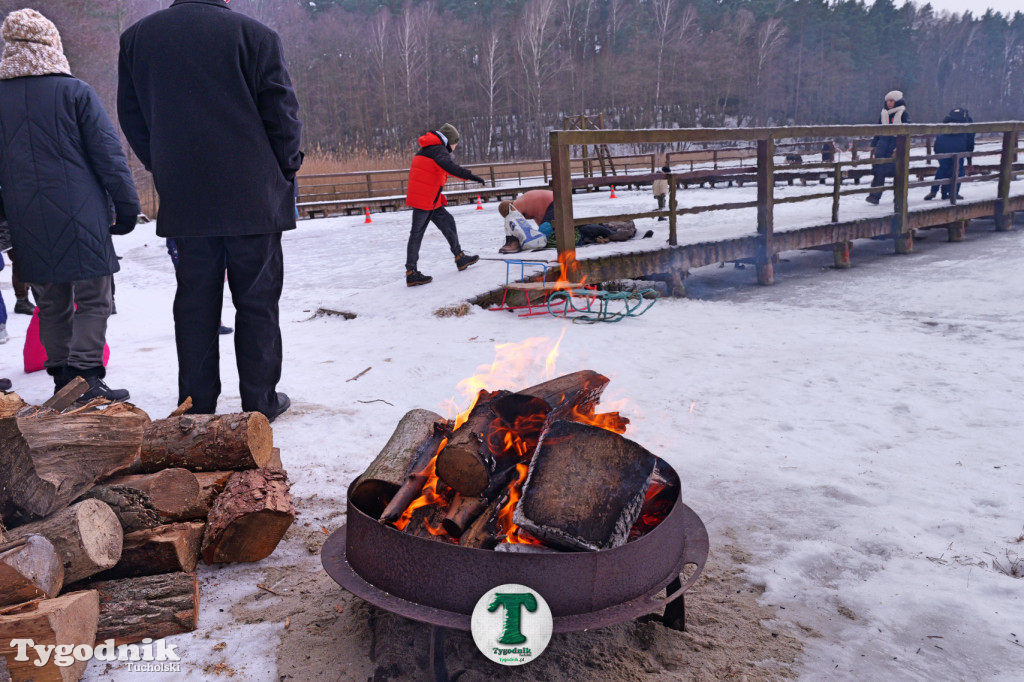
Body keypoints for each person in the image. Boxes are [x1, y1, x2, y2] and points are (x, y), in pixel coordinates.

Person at [118, 0, 303, 422]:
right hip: (253, 195)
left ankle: (195, 404)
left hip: (186, 196)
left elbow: (133, 118)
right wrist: (284, 168)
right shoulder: (254, 36)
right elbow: (282, 115)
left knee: (194, 304)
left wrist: (164, 165)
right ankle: (260, 402)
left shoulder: (138, 39)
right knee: (257, 300)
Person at [0, 9, 139, 401]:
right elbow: (108, 155)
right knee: (94, 298)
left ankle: (63, 382)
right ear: (52, 43)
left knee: (51, 302)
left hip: (26, 218)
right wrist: (126, 205)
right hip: (82, 215)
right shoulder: (75, 91)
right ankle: (86, 379)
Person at [404, 123, 484, 286]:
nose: (455, 147)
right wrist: (470, 176)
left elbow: (436, 172)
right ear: (450, 141)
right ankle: (411, 272)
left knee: (448, 222)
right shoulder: (439, 150)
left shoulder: (428, 149)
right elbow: (449, 166)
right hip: (425, 200)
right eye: (455, 143)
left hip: (430, 199)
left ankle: (460, 257)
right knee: (417, 233)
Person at [866, 90, 909, 205]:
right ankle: (874, 196)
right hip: (882, 145)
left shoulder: (903, 114)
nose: (889, 103)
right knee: (878, 171)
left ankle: (899, 197)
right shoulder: (883, 113)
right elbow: (878, 130)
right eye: (887, 101)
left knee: (898, 172)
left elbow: (907, 131)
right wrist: (874, 145)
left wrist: (900, 147)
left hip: (895, 145)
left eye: (891, 101)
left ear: (897, 101)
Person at [926, 107, 974, 201]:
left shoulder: (947, 120)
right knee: (958, 170)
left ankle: (935, 191)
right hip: (958, 147)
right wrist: (969, 161)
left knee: (943, 169)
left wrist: (936, 150)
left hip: (941, 147)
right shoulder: (968, 122)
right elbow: (970, 142)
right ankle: (953, 192)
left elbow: (939, 135)